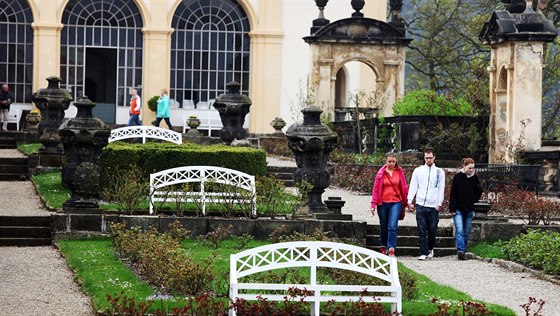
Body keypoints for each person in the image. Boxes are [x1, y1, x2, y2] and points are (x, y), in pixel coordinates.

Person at [407, 147, 445, 261]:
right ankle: (423, 252)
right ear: (424, 157)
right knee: (421, 229)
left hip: (433, 205)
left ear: (434, 157)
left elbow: (441, 188)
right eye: (426, 158)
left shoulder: (439, 172)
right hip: (421, 204)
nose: (428, 160)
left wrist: (439, 203)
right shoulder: (418, 171)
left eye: (430, 158)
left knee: (432, 230)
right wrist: (409, 200)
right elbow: (414, 186)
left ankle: (430, 247)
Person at [370, 152, 409, 257]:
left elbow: (404, 188)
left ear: (396, 161)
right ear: (386, 161)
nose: (391, 163)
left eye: (393, 161)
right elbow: (376, 189)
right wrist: (373, 205)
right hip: (382, 203)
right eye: (389, 161)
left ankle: (391, 247)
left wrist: (407, 202)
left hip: (396, 202)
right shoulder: (381, 173)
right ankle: (383, 246)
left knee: (392, 225)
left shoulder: (400, 172)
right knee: (383, 226)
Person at [449, 157, 483, 260]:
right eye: (469, 168)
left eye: (473, 168)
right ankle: (460, 250)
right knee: (459, 230)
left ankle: (463, 250)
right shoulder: (458, 177)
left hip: (469, 208)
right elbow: (453, 194)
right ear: (464, 166)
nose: (471, 170)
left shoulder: (475, 178)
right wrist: (452, 209)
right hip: (458, 208)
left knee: (466, 231)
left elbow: (479, 191)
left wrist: (473, 200)